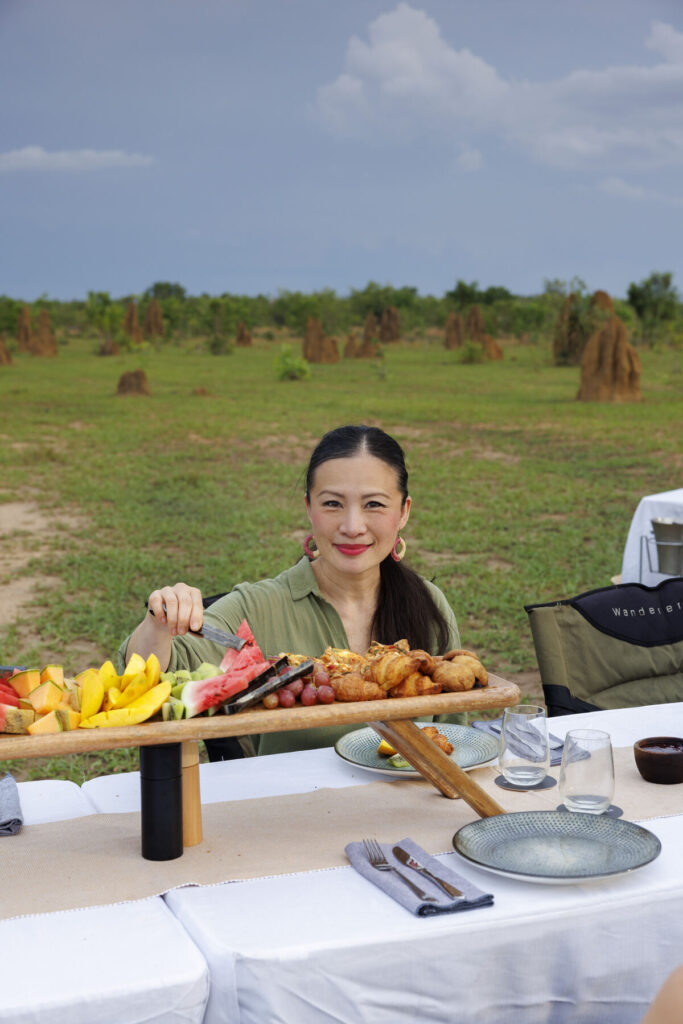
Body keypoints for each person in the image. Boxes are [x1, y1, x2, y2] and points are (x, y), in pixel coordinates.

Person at [119, 424, 462, 757]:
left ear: (403, 512)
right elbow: (150, 677)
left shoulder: (429, 605)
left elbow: (457, 740)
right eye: (332, 504)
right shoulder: (260, 607)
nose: (352, 526)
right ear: (308, 508)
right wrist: (158, 622)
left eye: (374, 504)